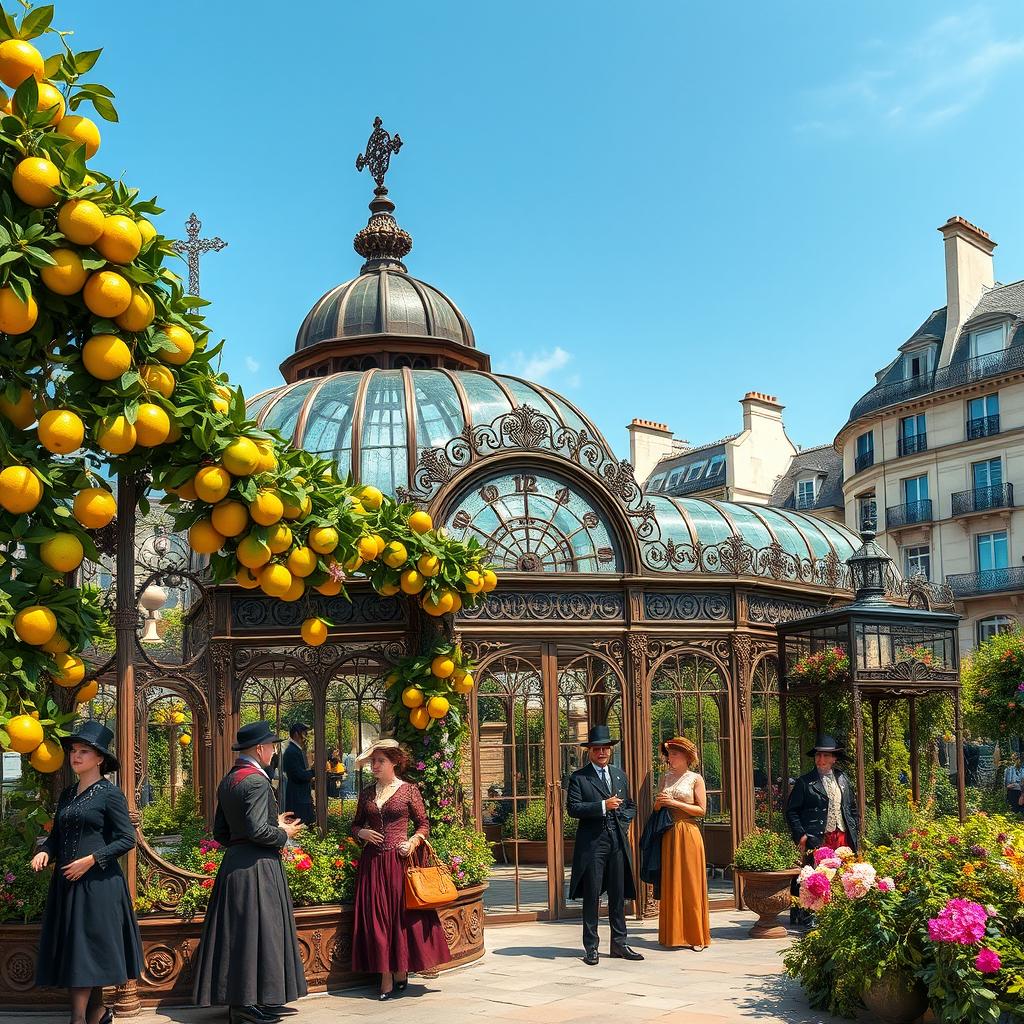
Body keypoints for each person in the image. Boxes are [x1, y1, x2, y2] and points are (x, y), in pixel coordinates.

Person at [192, 720, 306, 1024]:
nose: (272, 751)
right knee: (259, 933)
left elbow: (221, 832)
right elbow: (257, 830)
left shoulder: (229, 780)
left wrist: (256, 833)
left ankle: (246, 1002)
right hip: (258, 867)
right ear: (259, 748)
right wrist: (283, 833)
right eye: (271, 746)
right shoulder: (256, 781)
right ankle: (246, 1005)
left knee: (241, 935)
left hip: (234, 865)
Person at [31, 721, 143, 1024]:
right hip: (67, 885)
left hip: (98, 885)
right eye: (73, 751)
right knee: (79, 951)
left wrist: (91, 860)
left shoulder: (110, 794)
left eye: (83, 752)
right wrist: (45, 851)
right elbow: (57, 835)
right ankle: (97, 1013)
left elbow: (126, 839)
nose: (75, 756)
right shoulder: (68, 794)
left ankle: (78, 1019)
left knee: (85, 951)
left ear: (99, 759)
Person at [350, 738, 452, 999]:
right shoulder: (366, 793)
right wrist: (362, 832)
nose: (374, 765)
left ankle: (400, 970)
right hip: (373, 864)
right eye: (373, 761)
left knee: (398, 920)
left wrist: (412, 842)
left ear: (394, 762)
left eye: (380, 761)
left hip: (399, 863)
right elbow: (354, 825)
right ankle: (385, 974)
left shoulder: (409, 791)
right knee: (378, 921)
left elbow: (423, 824)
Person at [566, 724, 643, 966]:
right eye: (597, 748)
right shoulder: (579, 778)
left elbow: (630, 805)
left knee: (618, 895)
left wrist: (625, 822)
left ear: (610, 750)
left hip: (617, 842)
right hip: (593, 844)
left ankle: (620, 944)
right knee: (592, 896)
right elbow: (573, 809)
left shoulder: (619, 775)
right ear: (589, 751)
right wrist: (602, 806)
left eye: (606, 748)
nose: (602, 752)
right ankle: (591, 947)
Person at [785, 734, 859, 927]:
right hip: (817, 836)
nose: (821, 760)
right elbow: (791, 811)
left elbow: (851, 808)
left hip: (842, 835)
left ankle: (839, 916)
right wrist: (800, 834)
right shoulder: (805, 782)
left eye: (826, 756)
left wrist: (855, 830)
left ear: (834, 758)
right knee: (816, 877)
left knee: (842, 875)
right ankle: (811, 917)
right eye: (818, 755)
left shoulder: (843, 779)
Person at [654, 736, 711, 951]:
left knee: (690, 882)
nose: (670, 757)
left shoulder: (695, 778)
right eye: (669, 753)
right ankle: (673, 935)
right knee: (671, 883)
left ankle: (696, 936)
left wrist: (675, 802)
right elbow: (657, 808)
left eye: (675, 753)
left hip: (688, 832)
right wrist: (659, 804)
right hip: (668, 833)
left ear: (687, 757)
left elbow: (702, 810)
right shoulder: (665, 777)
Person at [280, 722, 315, 825]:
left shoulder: (295, 750)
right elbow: (298, 775)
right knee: (300, 827)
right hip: (298, 799)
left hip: (300, 797)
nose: (306, 737)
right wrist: (313, 771)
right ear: (296, 734)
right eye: (304, 733)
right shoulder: (292, 751)